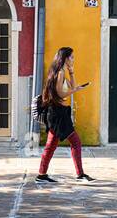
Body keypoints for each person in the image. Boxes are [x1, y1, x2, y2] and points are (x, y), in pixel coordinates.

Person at [36, 47, 94, 183]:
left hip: (58, 113)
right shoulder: (59, 73)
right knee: (75, 141)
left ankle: (41, 175)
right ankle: (80, 175)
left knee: (51, 145)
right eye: (72, 57)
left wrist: (72, 71)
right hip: (58, 114)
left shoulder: (61, 72)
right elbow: (59, 94)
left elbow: (73, 86)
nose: (73, 59)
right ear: (65, 58)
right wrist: (73, 92)